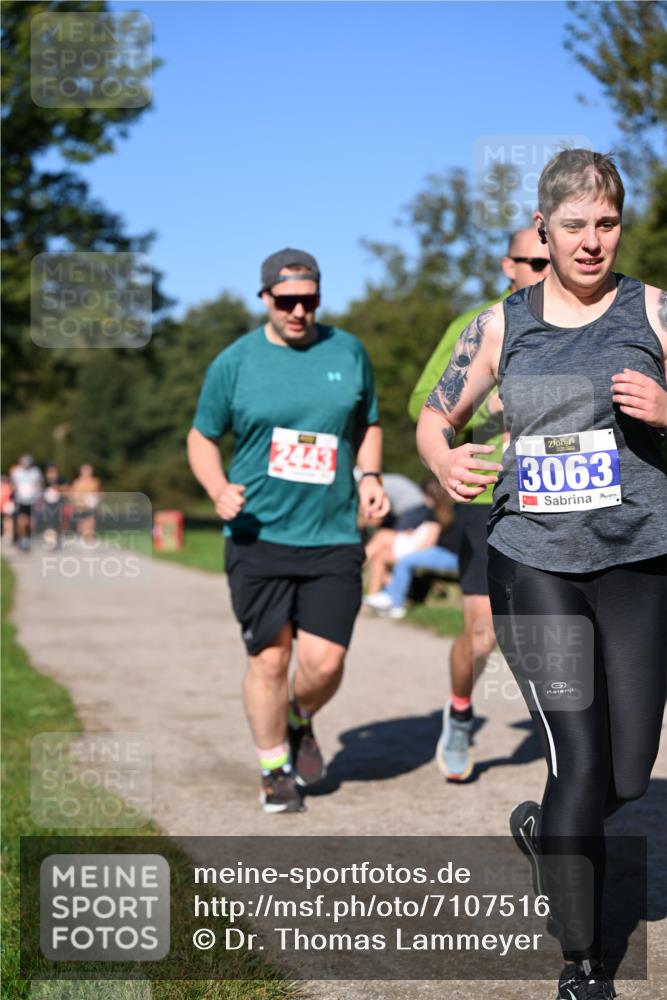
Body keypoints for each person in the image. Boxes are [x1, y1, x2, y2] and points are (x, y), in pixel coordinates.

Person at [417, 149, 667, 999]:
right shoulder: (499, 325)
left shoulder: (654, 310)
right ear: (542, 228)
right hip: (533, 561)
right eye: (573, 226)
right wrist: (443, 460)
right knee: (579, 760)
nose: (591, 241)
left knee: (626, 774)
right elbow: (434, 414)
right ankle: (582, 962)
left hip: (638, 559)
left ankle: (548, 834)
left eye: (606, 223)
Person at [187, 248, 388, 814]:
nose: (298, 311)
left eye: (309, 300)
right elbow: (201, 436)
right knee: (270, 660)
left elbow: (369, 422)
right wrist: (217, 488)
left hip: (332, 533)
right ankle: (274, 767)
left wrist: (370, 475)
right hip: (258, 534)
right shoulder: (235, 362)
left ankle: (298, 719)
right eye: (286, 301)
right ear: (265, 298)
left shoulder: (347, 351)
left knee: (325, 662)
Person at [409, 228, 550, 780]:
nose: (544, 269)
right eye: (532, 261)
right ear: (507, 266)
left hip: (562, 490)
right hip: (489, 491)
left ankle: (583, 751)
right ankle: (461, 711)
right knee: (483, 631)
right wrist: (484, 398)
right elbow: (423, 404)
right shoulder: (479, 323)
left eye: (550, 259)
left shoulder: (580, 320)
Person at [363, 481, 461, 619]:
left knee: (405, 560)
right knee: (381, 555)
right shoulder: (436, 511)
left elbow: (429, 541)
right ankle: (383, 595)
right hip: (437, 550)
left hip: (448, 553)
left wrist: (410, 550)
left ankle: (396, 604)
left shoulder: (443, 512)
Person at [10, 454, 43, 551]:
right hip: (21, 500)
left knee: (30, 522)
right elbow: (13, 485)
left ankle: (27, 537)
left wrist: (35, 489)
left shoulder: (35, 472)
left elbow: (39, 484)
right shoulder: (16, 472)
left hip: (33, 500)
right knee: (21, 520)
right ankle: (22, 539)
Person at [69, 464, 101, 543]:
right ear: (81, 471)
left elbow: (99, 493)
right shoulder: (77, 482)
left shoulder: (95, 482)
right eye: (85, 470)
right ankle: (81, 537)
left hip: (91, 507)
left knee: (90, 524)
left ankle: (89, 539)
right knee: (81, 526)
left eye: (89, 470)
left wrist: (95, 499)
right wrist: (79, 500)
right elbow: (72, 494)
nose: (87, 472)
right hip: (80, 507)